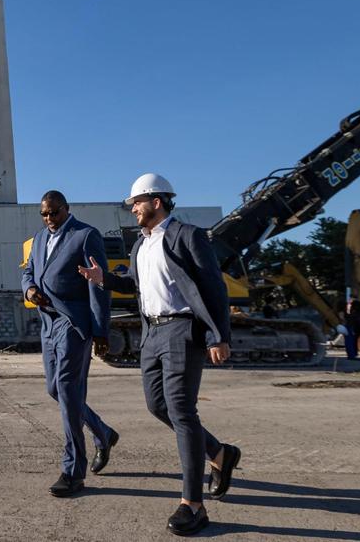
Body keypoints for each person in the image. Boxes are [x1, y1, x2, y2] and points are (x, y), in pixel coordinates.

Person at [79, 173, 240, 537]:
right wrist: (101, 277)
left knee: (183, 410)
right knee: (158, 406)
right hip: (151, 331)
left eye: (136, 202)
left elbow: (213, 287)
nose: (132, 208)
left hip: (183, 329)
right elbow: (134, 284)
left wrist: (219, 335)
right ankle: (219, 454)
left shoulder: (188, 236)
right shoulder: (140, 246)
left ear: (157, 201)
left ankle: (193, 505)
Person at [21, 190, 117, 498]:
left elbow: (99, 285)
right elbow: (28, 272)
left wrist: (101, 331)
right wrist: (30, 289)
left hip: (73, 323)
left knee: (66, 386)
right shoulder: (38, 239)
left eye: (55, 213)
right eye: (45, 214)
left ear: (67, 209)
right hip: (47, 323)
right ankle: (102, 432)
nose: (49, 219)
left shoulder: (86, 235)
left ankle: (73, 470)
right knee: (56, 390)